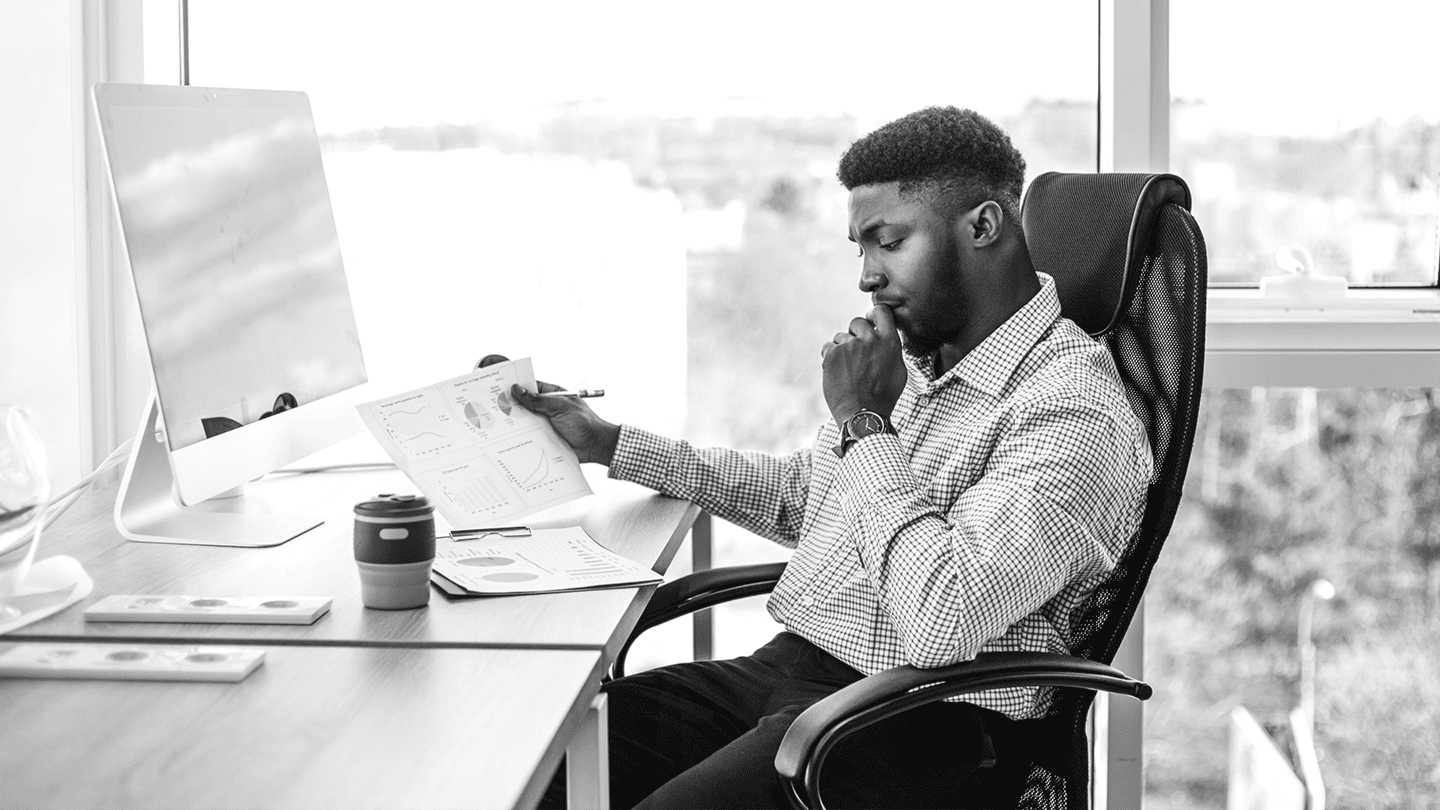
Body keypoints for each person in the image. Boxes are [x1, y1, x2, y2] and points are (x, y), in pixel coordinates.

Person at [515, 106, 1154, 809]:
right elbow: (803, 494)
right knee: (539, 769)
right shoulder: (927, 364)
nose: (866, 277)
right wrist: (609, 443)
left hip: (923, 720)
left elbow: (945, 617)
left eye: (889, 242)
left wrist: (866, 421)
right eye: (861, 248)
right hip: (792, 674)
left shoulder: (1072, 408)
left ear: (982, 226)